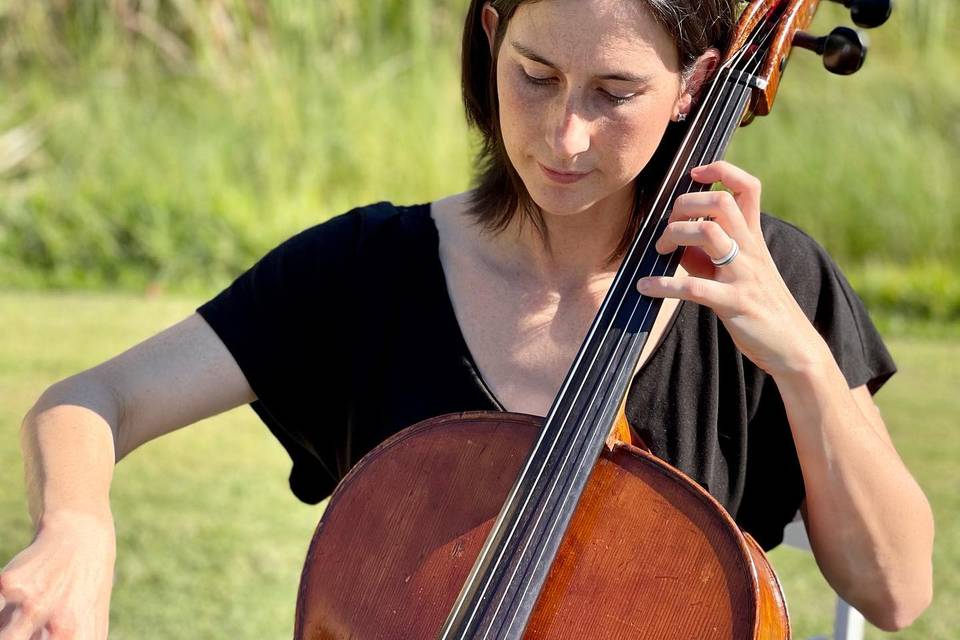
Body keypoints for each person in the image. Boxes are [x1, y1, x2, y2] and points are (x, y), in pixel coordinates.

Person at [0, 0, 934, 637]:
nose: (564, 136)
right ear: (491, 36)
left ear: (695, 84)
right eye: (534, 75)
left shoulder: (769, 281)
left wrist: (806, 366)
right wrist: (76, 525)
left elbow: (896, 587)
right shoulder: (368, 272)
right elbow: (98, 397)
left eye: (614, 94)